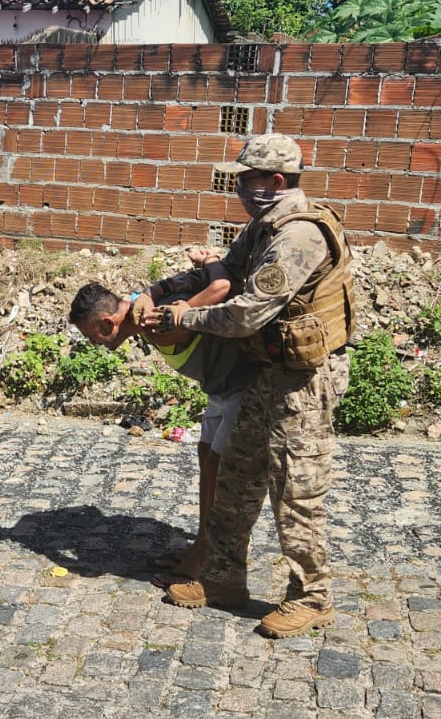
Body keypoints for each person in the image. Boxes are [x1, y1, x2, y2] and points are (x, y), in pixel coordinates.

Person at [131, 132, 354, 639]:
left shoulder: (299, 235)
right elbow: (228, 271)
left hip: (305, 381)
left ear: (275, 182)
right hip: (269, 374)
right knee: (239, 473)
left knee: (295, 490)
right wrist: (162, 291)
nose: (239, 189)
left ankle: (311, 597)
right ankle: (224, 577)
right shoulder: (264, 225)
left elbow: (248, 313)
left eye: (246, 180)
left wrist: (183, 319)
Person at [68, 269, 256, 588]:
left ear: (107, 324)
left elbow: (221, 285)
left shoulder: (155, 324)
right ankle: (201, 545)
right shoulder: (143, 305)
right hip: (220, 389)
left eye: (92, 337)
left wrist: (184, 309)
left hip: (241, 387)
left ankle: (211, 560)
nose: (95, 344)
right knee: (205, 455)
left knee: (218, 468)